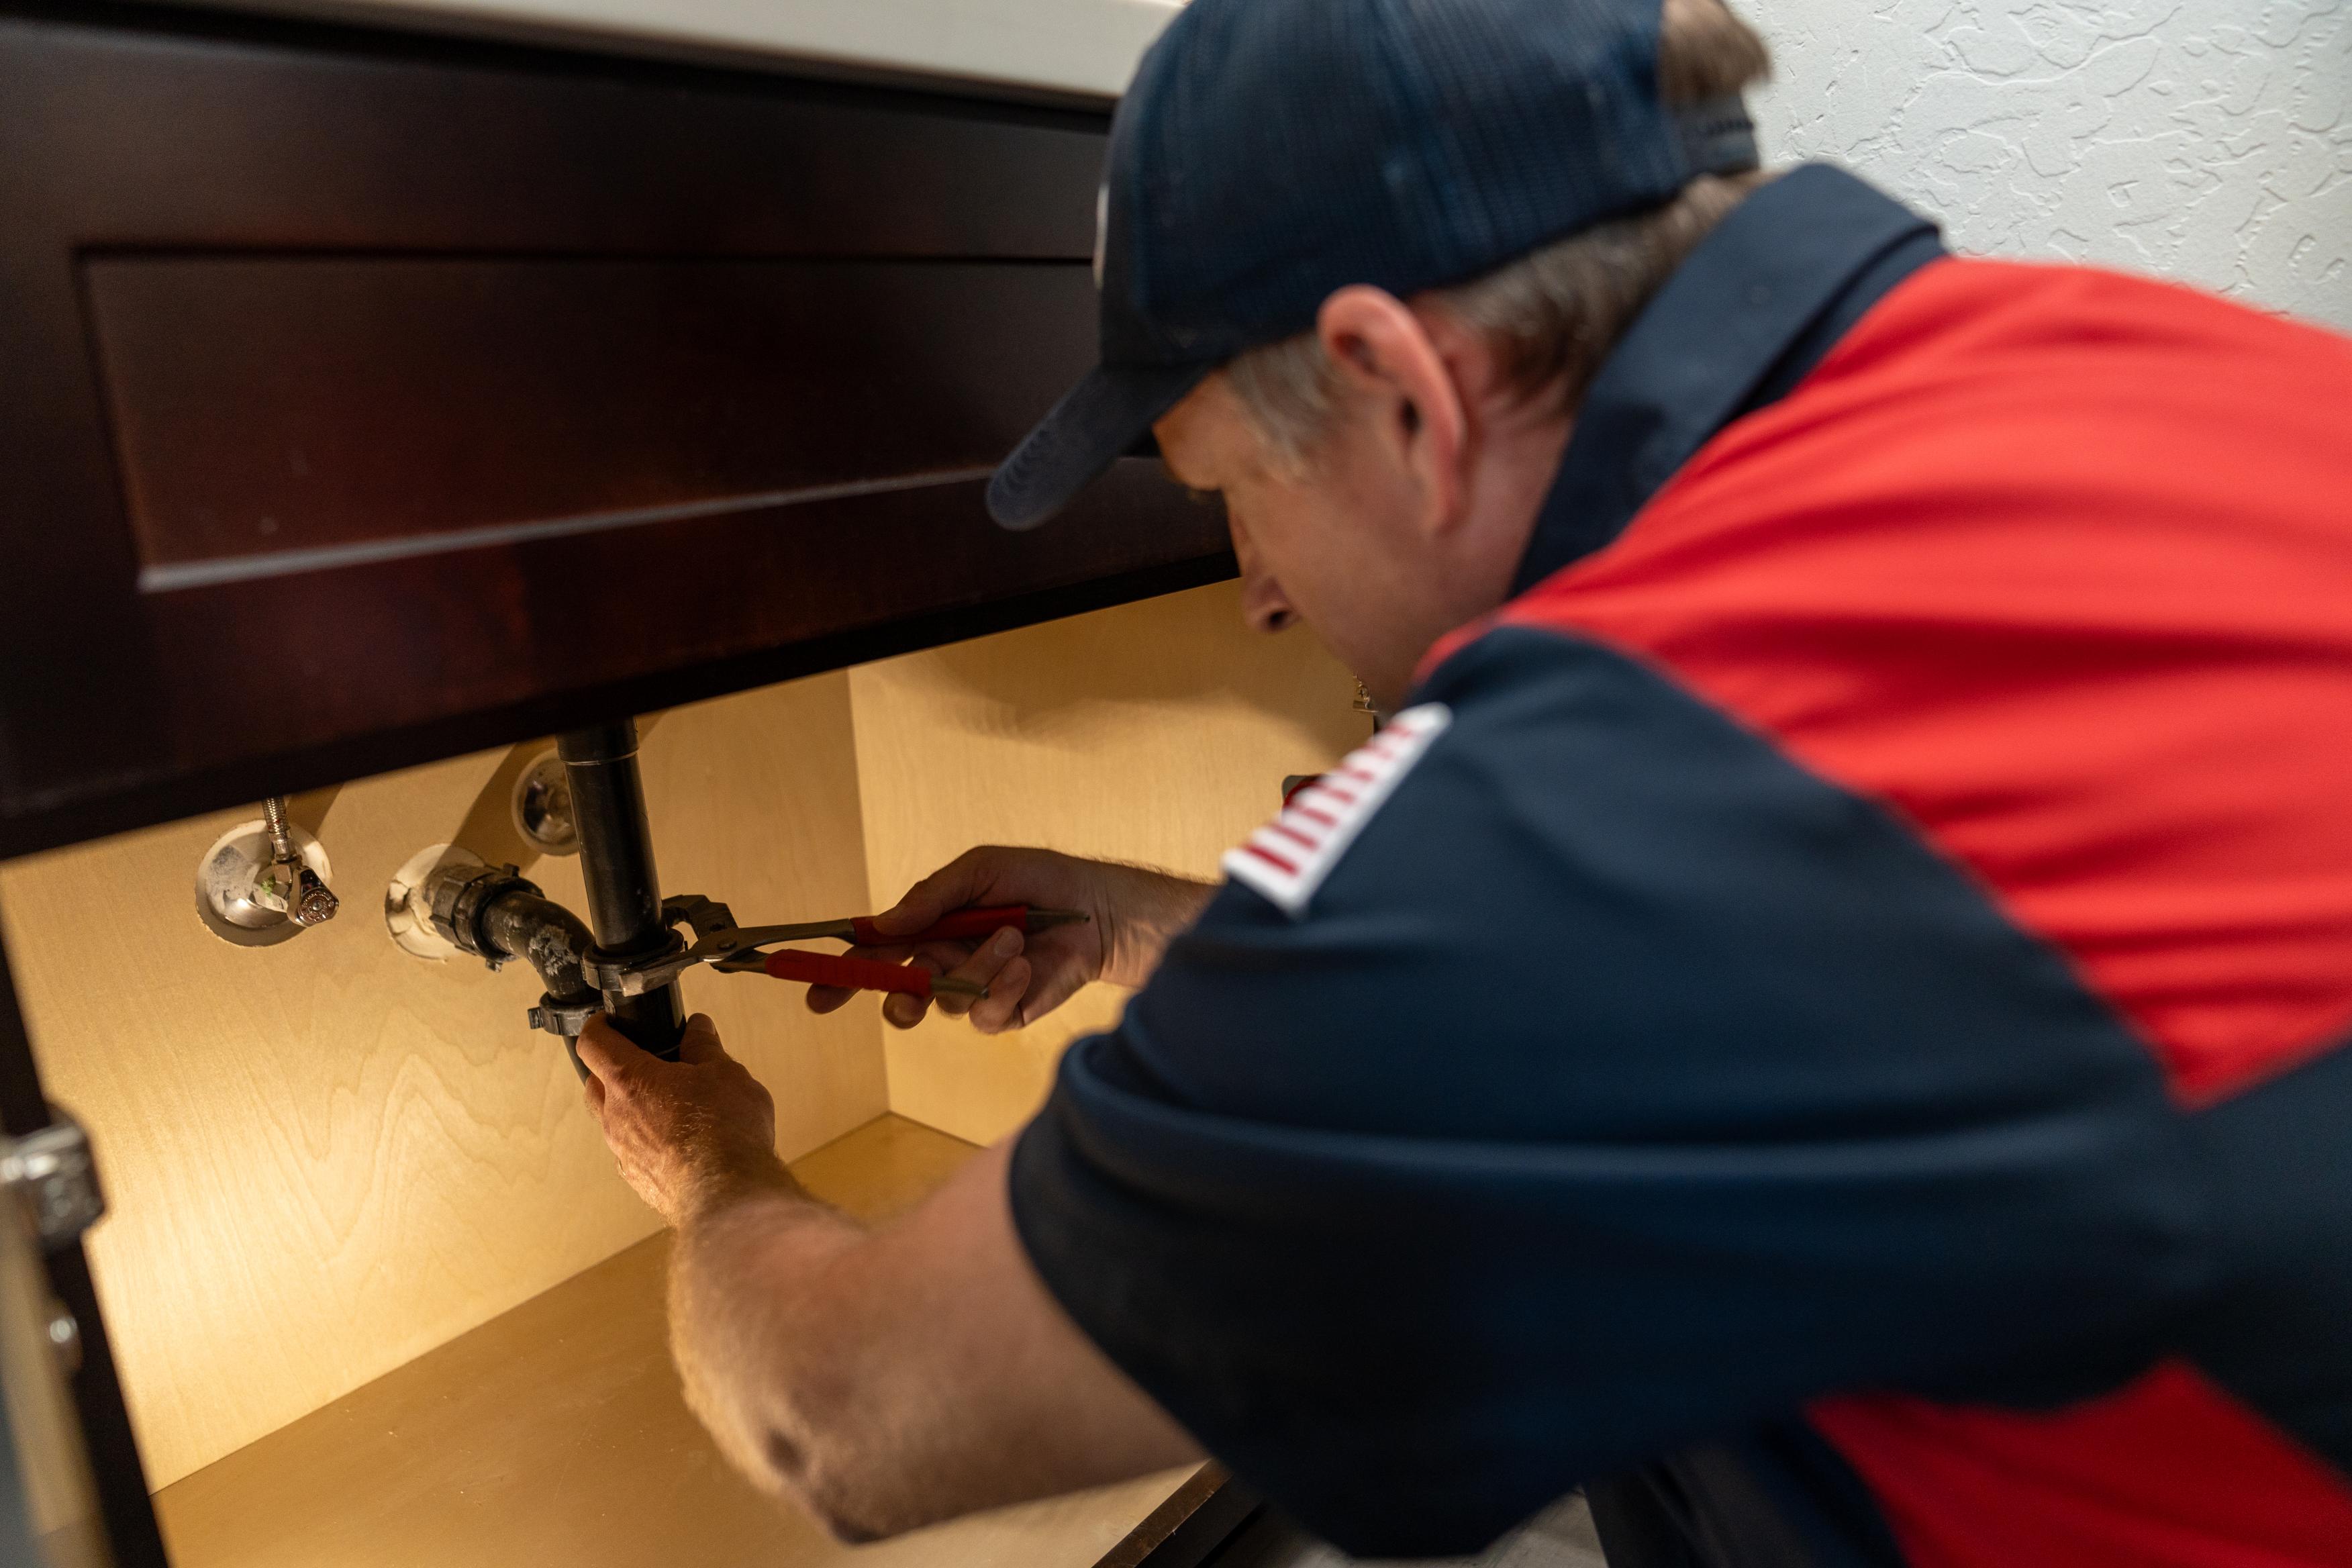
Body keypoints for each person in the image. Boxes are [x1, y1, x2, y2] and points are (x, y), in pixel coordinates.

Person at [571, 0, 2352, 1559]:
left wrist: (714, 1166)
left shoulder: (1615, 789)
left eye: (1228, 495)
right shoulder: (2142, 366)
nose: (1258, 589)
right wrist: (1138, 932)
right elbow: (1722, 1020)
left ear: (1400, 385)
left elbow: (845, 1419)